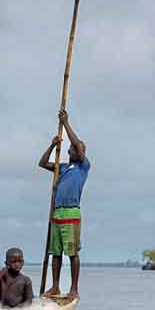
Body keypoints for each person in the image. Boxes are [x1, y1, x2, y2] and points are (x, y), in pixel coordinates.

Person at [38, 109, 89, 299]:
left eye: (79, 148)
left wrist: (66, 123)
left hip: (71, 213)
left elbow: (77, 143)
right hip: (57, 213)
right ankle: (55, 286)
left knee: (72, 252)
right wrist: (52, 146)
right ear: (69, 152)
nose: (78, 149)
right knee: (56, 252)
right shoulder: (63, 167)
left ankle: (74, 288)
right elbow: (42, 163)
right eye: (75, 148)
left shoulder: (84, 167)